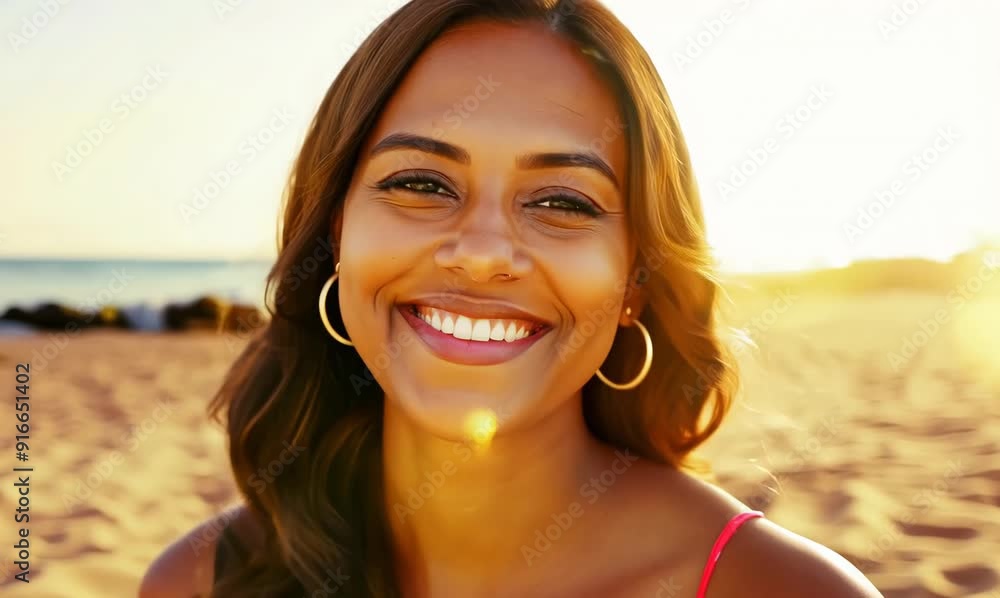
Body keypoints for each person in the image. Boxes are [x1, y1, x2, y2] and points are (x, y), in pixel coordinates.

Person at [140, 0, 883, 596]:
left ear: (637, 281)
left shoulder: (784, 589)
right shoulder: (199, 583)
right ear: (337, 230)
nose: (485, 251)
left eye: (562, 201)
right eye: (422, 185)